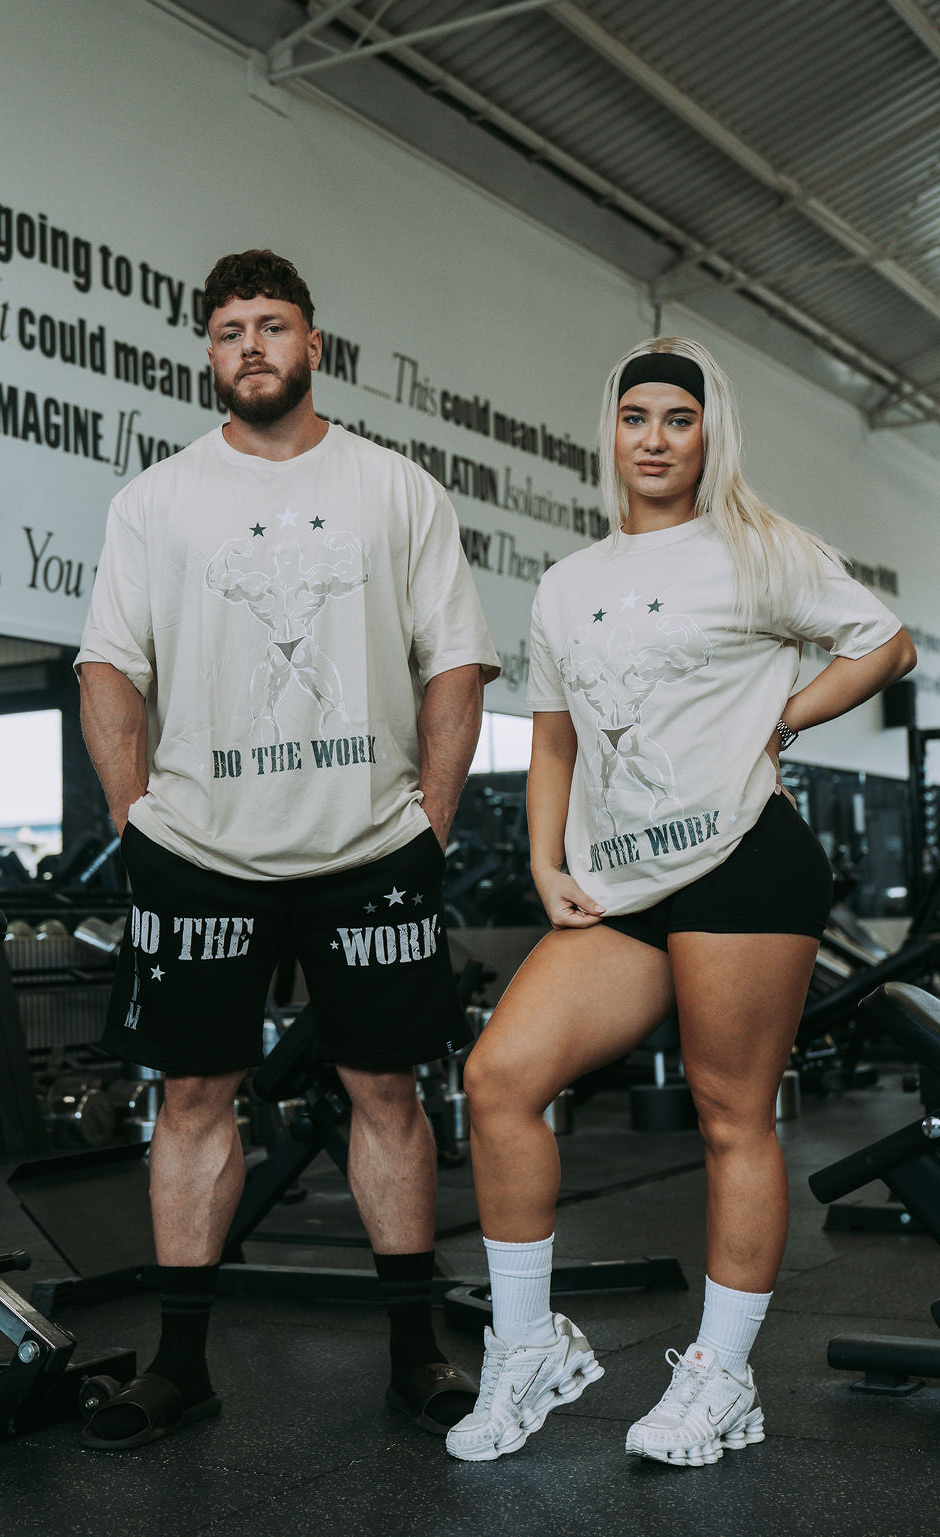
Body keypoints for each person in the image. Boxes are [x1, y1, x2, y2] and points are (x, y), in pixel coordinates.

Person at [445, 338, 916, 1468]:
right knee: (498, 1078)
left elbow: (885, 643)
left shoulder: (756, 551)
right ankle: (528, 1349)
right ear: (609, 433)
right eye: (634, 417)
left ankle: (718, 1378)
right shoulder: (568, 582)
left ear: (709, 435)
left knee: (727, 1118)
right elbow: (551, 730)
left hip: (746, 862)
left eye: (677, 419)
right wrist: (547, 860)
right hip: (623, 883)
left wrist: (783, 720)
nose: (653, 438)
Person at [75, 248, 500, 1450]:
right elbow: (110, 662)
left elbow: (453, 660)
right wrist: (132, 817)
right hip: (198, 848)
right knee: (193, 1094)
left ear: (315, 344)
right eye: (227, 330)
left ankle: (415, 1358)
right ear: (209, 355)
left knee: (386, 1089)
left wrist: (431, 816)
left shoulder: (395, 489)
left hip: (369, 848)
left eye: (271, 324)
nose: (249, 345)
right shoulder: (155, 500)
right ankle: (180, 1366)